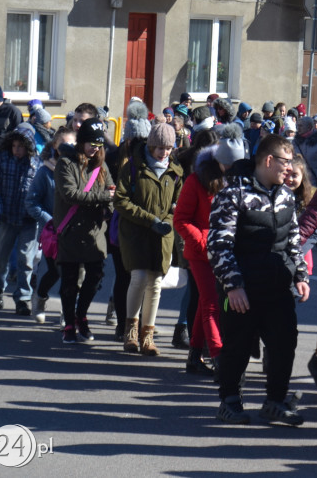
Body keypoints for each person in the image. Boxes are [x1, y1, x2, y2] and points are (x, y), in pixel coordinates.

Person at [207, 135, 310, 427]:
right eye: (285, 162)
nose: (290, 169)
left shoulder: (286, 195)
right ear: (268, 161)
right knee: (237, 346)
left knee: (284, 342)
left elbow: (292, 242)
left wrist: (300, 275)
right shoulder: (233, 194)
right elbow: (218, 244)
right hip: (242, 288)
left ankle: (275, 402)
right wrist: (233, 285)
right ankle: (229, 402)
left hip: (277, 287)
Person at [175, 128, 244, 375]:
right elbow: (181, 219)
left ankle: (194, 356)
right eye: (228, 164)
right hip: (201, 253)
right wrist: (205, 241)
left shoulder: (240, 181)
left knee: (209, 303)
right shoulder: (197, 180)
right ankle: (217, 355)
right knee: (212, 304)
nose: (232, 169)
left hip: (228, 253)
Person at [114, 123, 183, 355]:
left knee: (155, 284)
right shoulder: (133, 167)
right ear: (150, 145)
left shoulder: (175, 172)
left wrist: (168, 222)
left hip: (162, 236)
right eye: (159, 147)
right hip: (135, 233)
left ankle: (147, 336)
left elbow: (180, 206)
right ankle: (130, 331)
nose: (164, 152)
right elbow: (121, 201)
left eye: (168, 148)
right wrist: (150, 220)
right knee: (139, 277)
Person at [53, 117, 115, 343]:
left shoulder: (101, 165)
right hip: (70, 230)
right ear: (81, 142)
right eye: (91, 144)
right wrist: (103, 197)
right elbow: (70, 194)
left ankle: (82, 315)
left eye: (99, 145)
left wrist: (109, 205)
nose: (95, 149)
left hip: (94, 231)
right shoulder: (66, 162)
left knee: (95, 277)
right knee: (69, 282)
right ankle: (69, 323)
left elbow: (111, 191)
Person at [0, 129, 42, 316]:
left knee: (25, 260)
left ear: (28, 147)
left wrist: (39, 213)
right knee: (1, 258)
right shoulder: (4, 162)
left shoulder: (36, 165)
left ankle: (23, 298)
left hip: (29, 220)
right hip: (8, 217)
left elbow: (41, 192)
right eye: (14, 146)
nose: (16, 150)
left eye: (20, 146)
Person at [28, 127, 75, 324]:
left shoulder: (81, 169)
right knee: (56, 271)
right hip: (53, 234)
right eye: (62, 144)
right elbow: (32, 202)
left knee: (72, 275)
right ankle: (40, 296)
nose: (67, 148)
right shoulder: (45, 172)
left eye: (71, 144)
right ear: (55, 146)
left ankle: (68, 312)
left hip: (75, 232)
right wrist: (50, 221)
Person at [292, 116, 317, 186]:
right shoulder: (295, 142)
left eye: (301, 126)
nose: (298, 128)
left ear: (309, 127)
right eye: (297, 126)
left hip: (314, 181)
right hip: (299, 180)